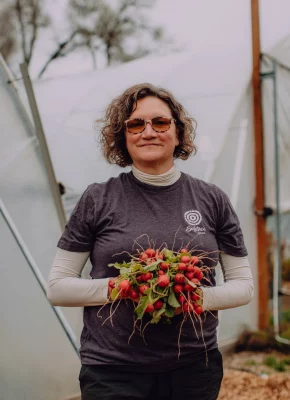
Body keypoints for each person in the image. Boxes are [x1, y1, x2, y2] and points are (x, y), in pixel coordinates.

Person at [47, 83, 254, 400]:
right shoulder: (98, 198)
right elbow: (57, 287)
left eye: (160, 122)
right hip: (112, 371)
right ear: (123, 136)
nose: (149, 132)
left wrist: (193, 298)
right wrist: (126, 287)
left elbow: (243, 285)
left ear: (177, 132)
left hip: (194, 368)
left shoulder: (211, 199)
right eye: (135, 124)